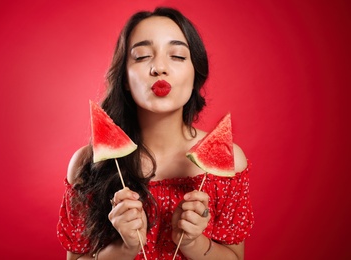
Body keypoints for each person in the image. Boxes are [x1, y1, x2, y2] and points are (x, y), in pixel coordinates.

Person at [57, 7, 254, 260]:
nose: (159, 68)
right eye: (141, 56)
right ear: (125, 79)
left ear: (195, 74)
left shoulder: (230, 161)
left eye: (178, 56)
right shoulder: (88, 163)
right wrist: (125, 248)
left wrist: (192, 242)